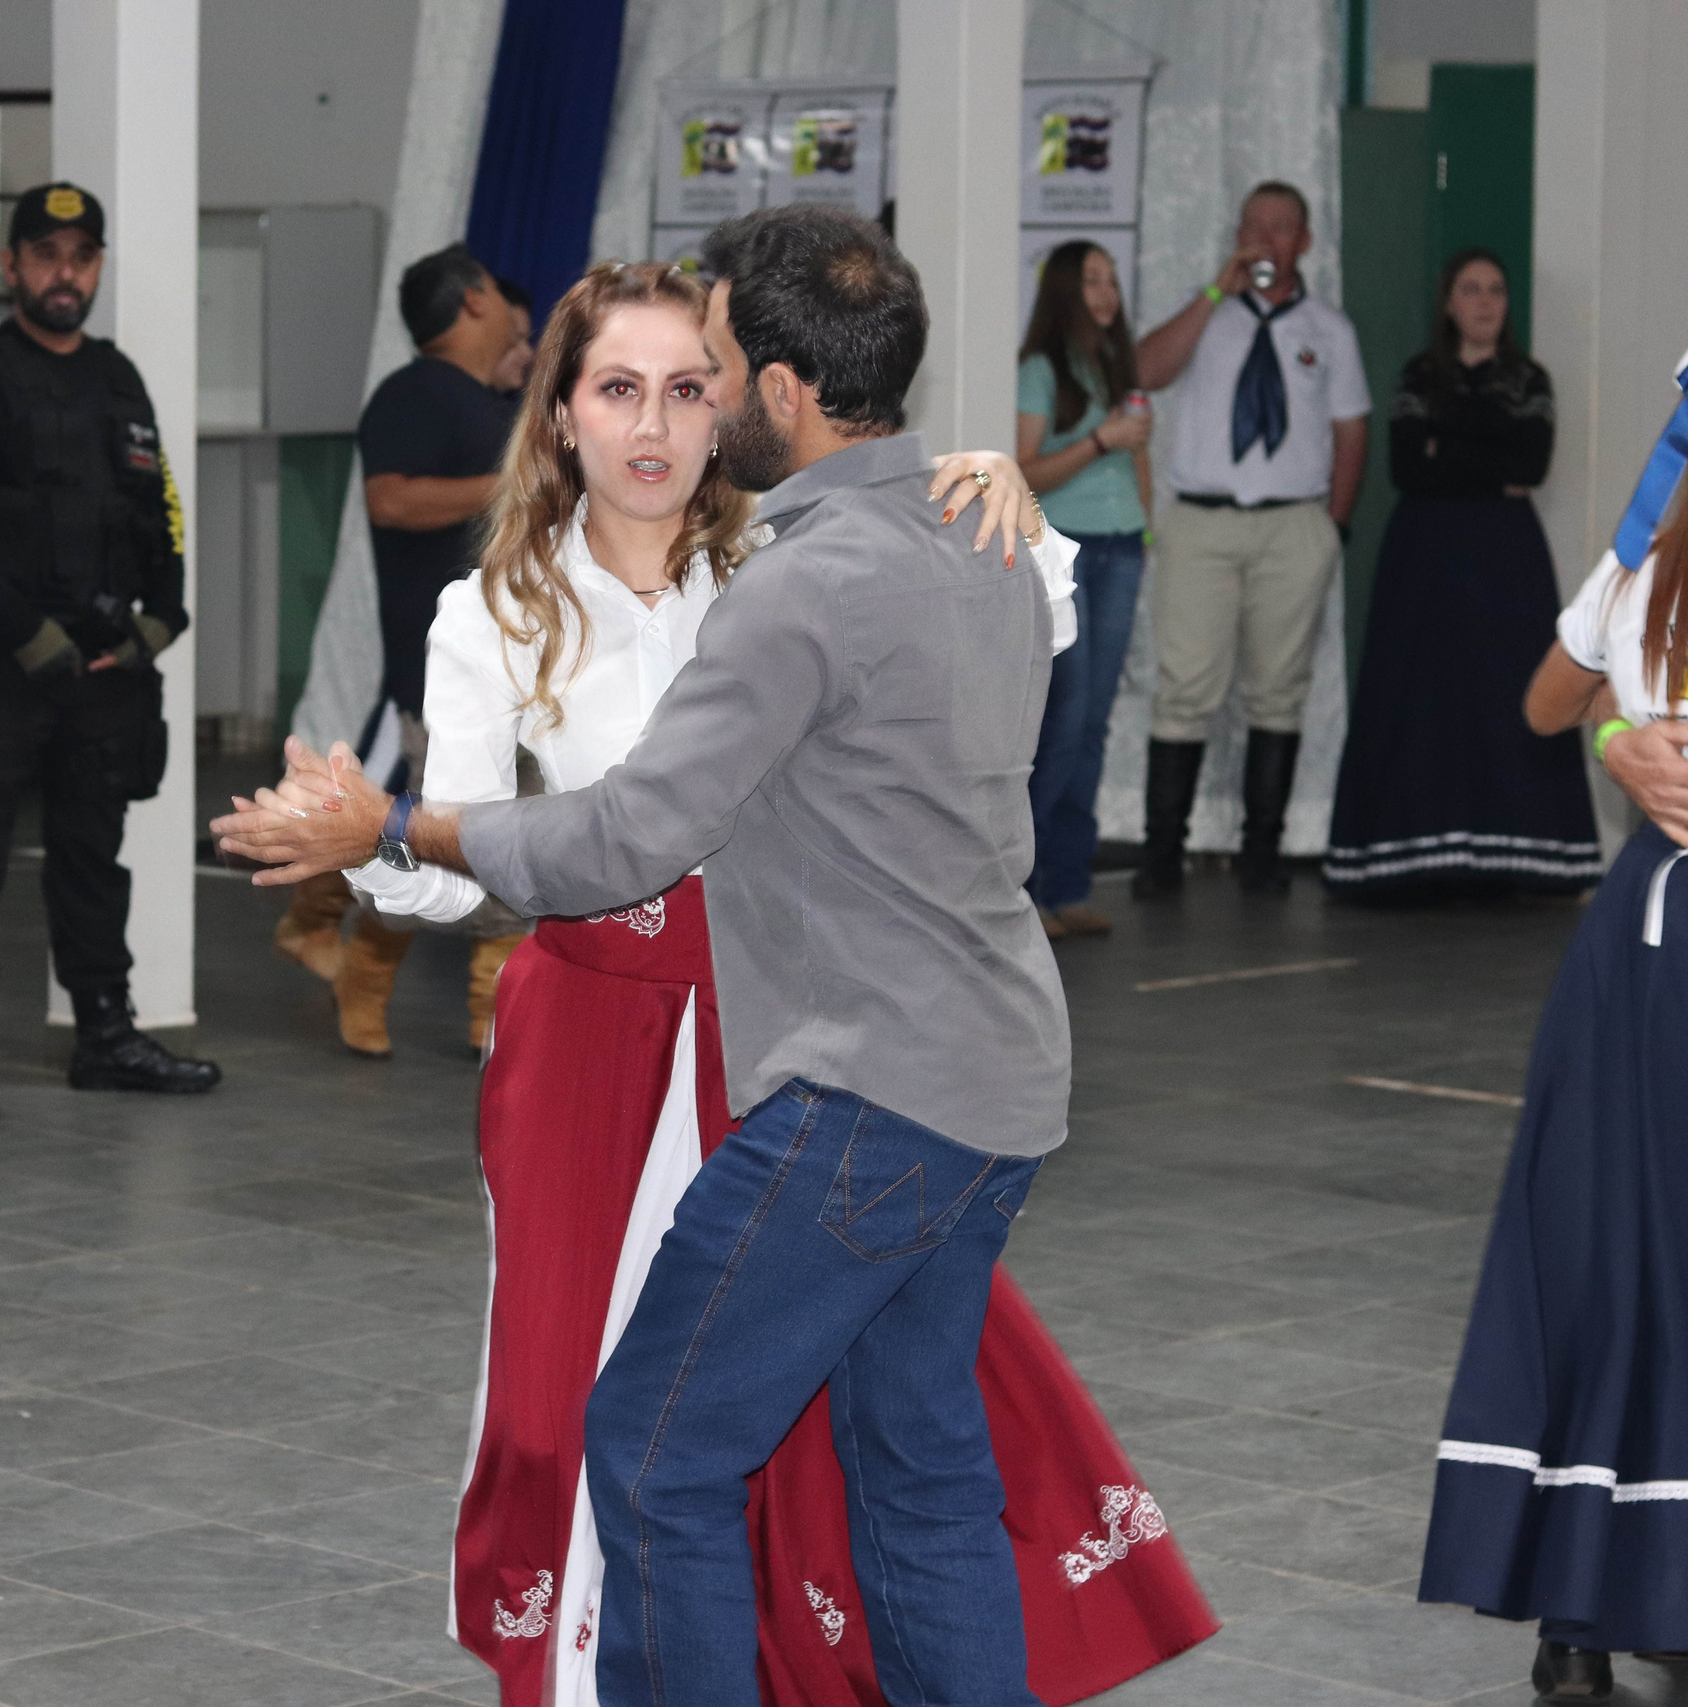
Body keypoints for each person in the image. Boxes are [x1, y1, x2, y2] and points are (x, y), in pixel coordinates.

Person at [218, 204, 1149, 1707]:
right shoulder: (511, 606)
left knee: (668, 1444)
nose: (660, 420)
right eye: (620, 387)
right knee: (888, 1446)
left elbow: (624, 833)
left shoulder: (783, 570)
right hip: (693, 1052)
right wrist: (374, 846)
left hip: (807, 1063)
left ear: (759, 396)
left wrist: (1011, 495)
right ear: (561, 414)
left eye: (691, 380)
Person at [1422, 328, 1688, 1695]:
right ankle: (1682, 1585)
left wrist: (1621, 729)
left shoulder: (1642, 567)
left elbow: (1548, 701)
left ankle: (1586, 1604)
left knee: (1613, 1261)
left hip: (1639, 947)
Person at [0, 179, 217, 1120]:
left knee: (94, 856)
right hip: (1, 666)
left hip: (104, 669)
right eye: (46, 255)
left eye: (82, 258)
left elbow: (161, 507)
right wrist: (24, 632)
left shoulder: (118, 379)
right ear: (12, 265)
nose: (64, 274)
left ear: (98, 267)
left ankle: (105, 1035)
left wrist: (164, 617)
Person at [270, 243, 528, 1056]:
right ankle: (366, 966)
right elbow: (392, 500)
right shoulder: (415, 393)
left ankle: (491, 1009)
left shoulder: (492, 403)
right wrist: (520, 487)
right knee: (433, 843)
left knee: (509, 842)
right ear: (476, 299)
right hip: (444, 676)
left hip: (520, 670)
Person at [1324, 250, 1599, 897]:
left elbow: (1530, 466)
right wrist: (1487, 454)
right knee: (1421, 694)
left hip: (1507, 562)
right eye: (1470, 290)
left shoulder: (1529, 379)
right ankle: (1417, 855)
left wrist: (1445, 442)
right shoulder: (1420, 375)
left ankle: (1515, 856)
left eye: (1495, 290)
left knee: (1509, 691)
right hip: (1424, 561)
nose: (1484, 302)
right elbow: (1408, 468)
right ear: (1449, 302)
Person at [1129, 181, 1371, 896]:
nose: (1265, 240)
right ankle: (1162, 853)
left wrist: (1332, 525)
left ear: (1305, 242)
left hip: (1293, 525)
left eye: (1281, 228)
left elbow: (1351, 430)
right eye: (1253, 227)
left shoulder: (1330, 329)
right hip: (1201, 523)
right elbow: (1143, 371)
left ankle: (1262, 851)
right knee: (1185, 688)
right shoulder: (1206, 311)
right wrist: (1214, 293)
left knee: (1278, 692)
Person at [1018, 240, 1152, 937]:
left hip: (1123, 546)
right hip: (1063, 549)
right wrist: (1101, 440)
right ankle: (1027, 891)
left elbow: (1140, 457)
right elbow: (1023, 471)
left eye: (1112, 280)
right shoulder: (1040, 369)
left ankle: (1070, 885)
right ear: (1066, 290)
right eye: (1092, 280)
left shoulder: (1118, 365)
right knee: (1061, 724)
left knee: (1094, 725)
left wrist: (1147, 526)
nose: (1106, 293)